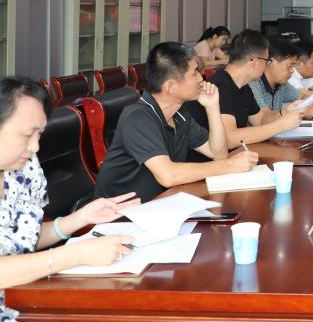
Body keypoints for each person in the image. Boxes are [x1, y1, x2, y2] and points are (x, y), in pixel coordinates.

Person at [0, 77, 138, 322]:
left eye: (40, 134)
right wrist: (73, 255)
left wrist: (79, 219)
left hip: (31, 306)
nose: (35, 146)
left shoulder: (24, 168)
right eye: (27, 135)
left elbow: (23, 238)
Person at [95, 42, 258, 203]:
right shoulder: (137, 118)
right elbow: (168, 175)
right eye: (194, 73)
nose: (201, 78)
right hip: (121, 214)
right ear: (171, 86)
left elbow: (218, 154)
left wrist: (212, 107)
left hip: (161, 203)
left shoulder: (180, 114)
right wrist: (228, 166)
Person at [207, 30, 311, 149]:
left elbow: (260, 120)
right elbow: (230, 138)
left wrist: (284, 112)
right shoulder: (219, 87)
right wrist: (281, 125)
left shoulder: (244, 87)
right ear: (255, 62)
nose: (266, 66)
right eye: (266, 61)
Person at [247, 37, 313, 118]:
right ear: (271, 62)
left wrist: (310, 105)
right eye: (290, 66)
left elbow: (301, 97)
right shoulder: (254, 83)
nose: (292, 71)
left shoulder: (281, 84)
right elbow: (263, 117)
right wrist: (308, 112)